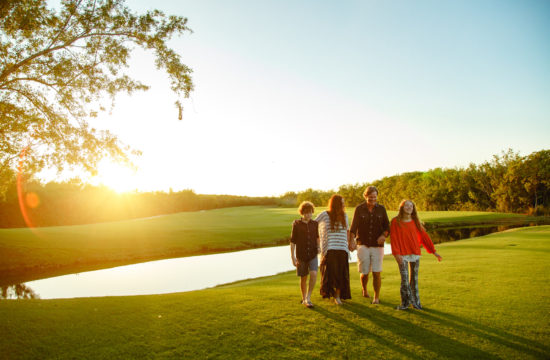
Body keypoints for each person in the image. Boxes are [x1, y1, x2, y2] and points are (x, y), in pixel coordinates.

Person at [390, 199, 442, 310]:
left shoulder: (415, 221)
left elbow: (424, 237)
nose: (409, 208)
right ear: (402, 208)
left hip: (414, 253)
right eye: (406, 206)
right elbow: (393, 238)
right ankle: (405, 304)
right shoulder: (395, 221)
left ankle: (416, 303)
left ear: (413, 209)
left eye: (411, 206)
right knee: (404, 280)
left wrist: (434, 251)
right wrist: (396, 254)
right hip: (402, 254)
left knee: (414, 279)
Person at [350, 186, 390, 304]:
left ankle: (376, 297)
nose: (372, 199)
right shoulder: (359, 209)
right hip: (362, 244)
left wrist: (384, 236)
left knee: (377, 272)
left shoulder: (381, 209)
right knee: (364, 272)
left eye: (374, 197)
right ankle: (364, 289)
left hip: (378, 246)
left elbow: (387, 227)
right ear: (365, 196)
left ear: (377, 196)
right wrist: (351, 241)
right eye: (370, 197)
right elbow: (353, 227)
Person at [316, 194, 354, 305]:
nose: (344, 204)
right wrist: (317, 241)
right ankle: (333, 294)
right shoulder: (324, 214)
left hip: (343, 248)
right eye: (341, 202)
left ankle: (338, 296)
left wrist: (350, 243)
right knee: (331, 274)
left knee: (342, 274)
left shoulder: (344, 215)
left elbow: (347, 231)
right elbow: (314, 224)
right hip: (330, 248)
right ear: (336, 204)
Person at [290, 201, 320, 308]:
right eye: (306, 213)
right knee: (303, 277)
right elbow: (293, 241)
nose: (309, 215)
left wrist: (319, 247)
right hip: (301, 255)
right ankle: (304, 298)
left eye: (310, 212)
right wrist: (293, 257)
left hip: (312, 254)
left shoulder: (315, 224)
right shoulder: (296, 224)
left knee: (314, 274)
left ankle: (308, 297)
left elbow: (317, 237)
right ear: (302, 213)